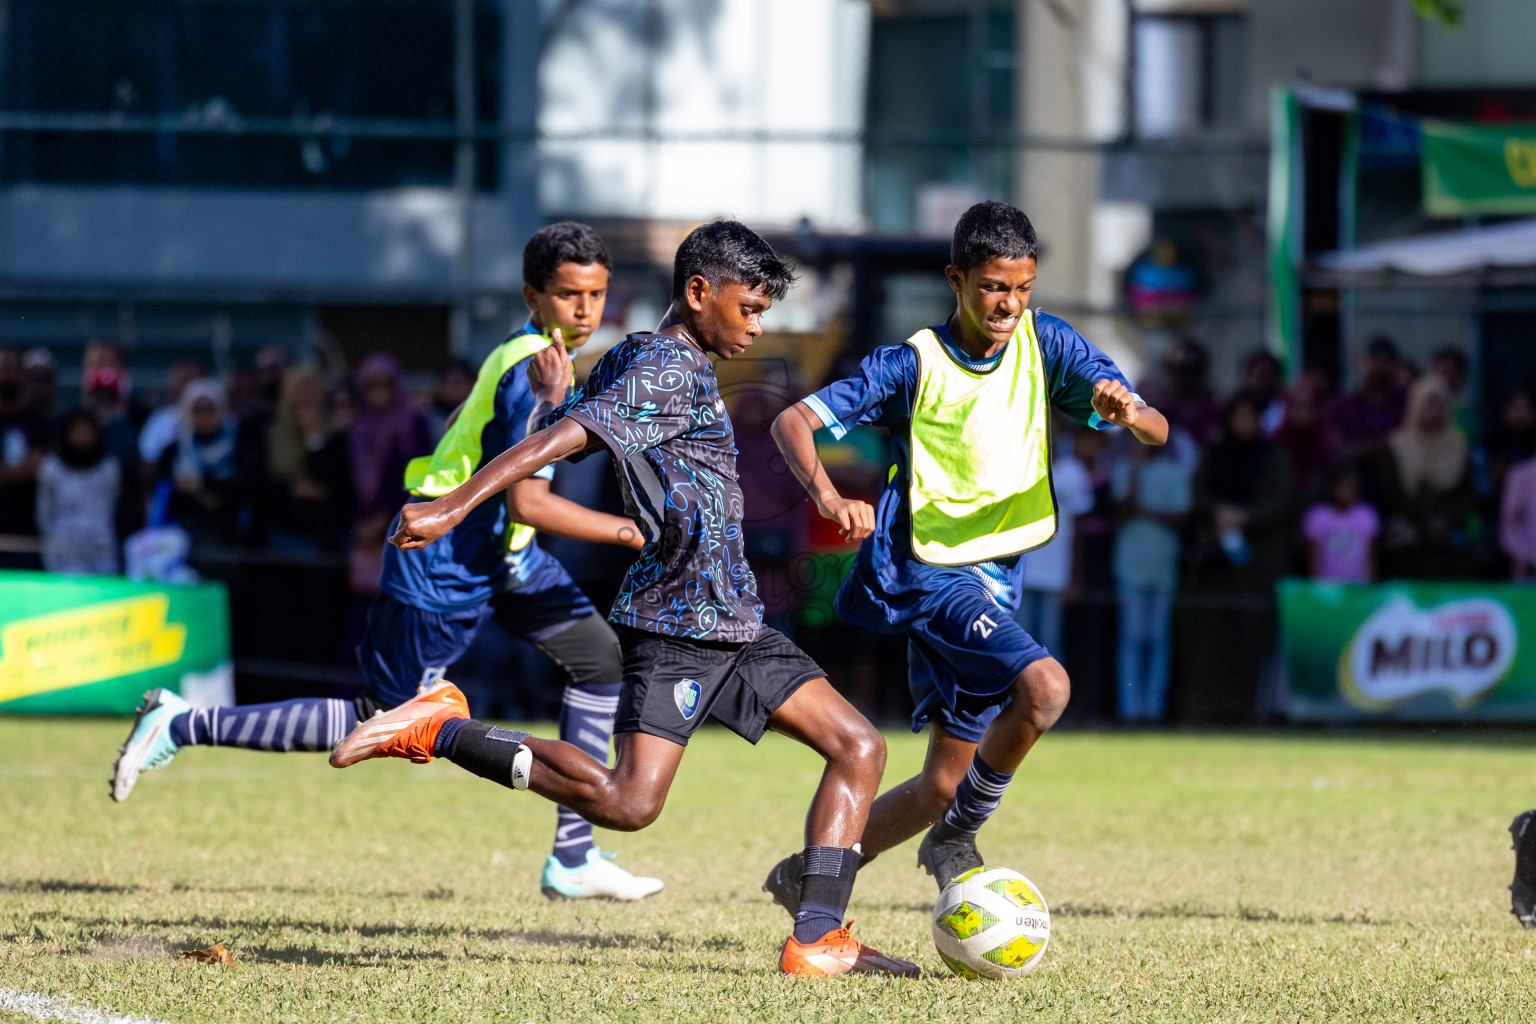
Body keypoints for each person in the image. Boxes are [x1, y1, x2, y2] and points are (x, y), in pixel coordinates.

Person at [328, 221, 917, 976]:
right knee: (630, 804)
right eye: (749, 308)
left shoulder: (653, 356)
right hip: (681, 621)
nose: (757, 327)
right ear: (700, 292)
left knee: (858, 745)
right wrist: (455, 504)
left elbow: (574, 419)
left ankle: (817, 939)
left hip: (730, 616)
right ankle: (441, 728)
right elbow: (564, 440)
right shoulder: (666, 364)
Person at [110, 224, 672, 903]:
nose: (585, 309)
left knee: (600, 659)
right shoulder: (531, 367)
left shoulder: (546, 359)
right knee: (379, 715)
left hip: (502, 560)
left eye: (596, 294)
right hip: (442, 561)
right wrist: (632, 531)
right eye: (568, 294)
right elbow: (529, 503)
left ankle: (573, 859)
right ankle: (180, 722)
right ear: (533, 295)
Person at [761, 201, 1167, 910]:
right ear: (957, 280)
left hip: (996, 576)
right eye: (993, 287)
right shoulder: (908, 363)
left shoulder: (1051, 345)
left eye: (1022, 287)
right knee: (1046, 689)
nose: (1009, 303)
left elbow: (1158, 430)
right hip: (931, 574)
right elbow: (792, 421)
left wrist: (1129, 413)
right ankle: (959, 838)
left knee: (942, 785)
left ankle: (814, 874)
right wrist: (828, 496)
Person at [1183, 394, 1294, 722]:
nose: (1244, 424)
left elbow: (1282, 500)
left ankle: (1248, 712)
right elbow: (1198, 495)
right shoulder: (1214, 456)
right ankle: (1207, 709)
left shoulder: (1274, 457)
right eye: (1238, 417)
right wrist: (1219, 513)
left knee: (1252, 636)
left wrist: (1247, 517)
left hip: (1257, 565)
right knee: (1212, 638)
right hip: (1215, 566)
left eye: (1251, 417)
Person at [1112, 428, 1193, 723]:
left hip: (1163, 567)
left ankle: (1154, 710)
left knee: (1158, 638)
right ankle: (1130, 710)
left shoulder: (1174, 472)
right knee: (1132, 638)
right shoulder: (1124, 468)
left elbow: (1182, 517)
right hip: (1129, 566)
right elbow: (1124, 507)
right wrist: (1135, 466)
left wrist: (1145, 512)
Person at [1014, 420, 1094, 662]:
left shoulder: (1075, 472)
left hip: (1057, 574)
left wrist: (1076, 577)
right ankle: (1019, 699)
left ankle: (1053, 699)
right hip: (1022, 574)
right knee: (1020, 640)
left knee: (1051, 641)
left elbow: (1080, 532)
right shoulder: (1022, 467)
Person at [1380, 376, 1474, 579]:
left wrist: (1444, 519)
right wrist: (1422, 522)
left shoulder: (1458, 444)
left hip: (1448, 540)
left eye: (1438, 403)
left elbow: (1465, 490)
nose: (1433, 409)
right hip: (1407, 538)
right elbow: (1391, 491)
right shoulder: (1397, 446)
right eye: (1427, 402)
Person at [152, 380, 246, 547]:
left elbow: (244, 488)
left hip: (229, 538)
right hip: (181, 537)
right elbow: (162, 495)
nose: (203, 417)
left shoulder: (238, 447)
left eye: (209, 410)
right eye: (197, 410)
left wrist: (202, 486)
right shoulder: (173, 451)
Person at [37, 409, 121, 575]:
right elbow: (44, 509)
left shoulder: (109, 466)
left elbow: (113, 503)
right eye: (77, 431)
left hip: (100, 538)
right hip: (62, 538)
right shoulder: (51, 467)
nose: (82, 436)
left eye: (87, 431)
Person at [0, 347, 47, 567]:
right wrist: (21, 471)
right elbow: (28, 469)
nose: (7, 375)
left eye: (12, 369)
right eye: (2, 369)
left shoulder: (37, 423)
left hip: (26, 539)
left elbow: (38, 468)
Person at [1302, 463, 1380, 584]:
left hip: (1361, 588)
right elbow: (1312, 558)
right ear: (1332, 486)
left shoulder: (1366, 514)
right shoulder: (1318, 515)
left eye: (1354, 486)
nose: (1350, 490)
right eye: (1345, 486)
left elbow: (1372, 557)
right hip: (1328, 590)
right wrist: (1316, 586)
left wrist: (1372, 585)